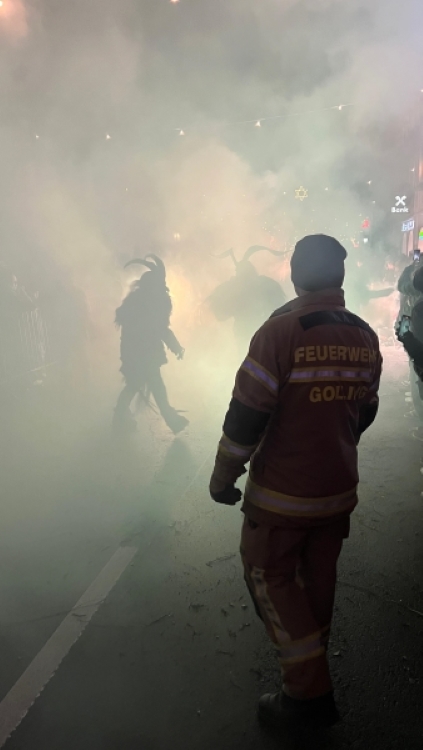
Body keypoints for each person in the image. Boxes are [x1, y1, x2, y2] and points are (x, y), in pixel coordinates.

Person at [209, 234, 382, 730]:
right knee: (317, 577)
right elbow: (364, 410)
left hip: (282, 498)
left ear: (293, 274)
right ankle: (313, 659)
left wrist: (223, 477)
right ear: (340, 276)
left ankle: (307, 695)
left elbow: (246, 417)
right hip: (337, 491)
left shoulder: (279, 333)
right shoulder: (365, 336)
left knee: (269, 576)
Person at [114, 255, 188, 435]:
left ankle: (120, 418)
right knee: (149, 384)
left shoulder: (137, 301)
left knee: (137, 384)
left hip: (136, 352)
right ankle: (170, 420)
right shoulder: (151, 303)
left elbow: (157, 329)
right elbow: (160, 329)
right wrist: (175, 346)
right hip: (144, 353)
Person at [206, 246, 286, 354]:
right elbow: (221, 314)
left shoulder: (246, 288)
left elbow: (221, 313)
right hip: (255, 339)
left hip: (262, 337)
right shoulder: (261, 285)